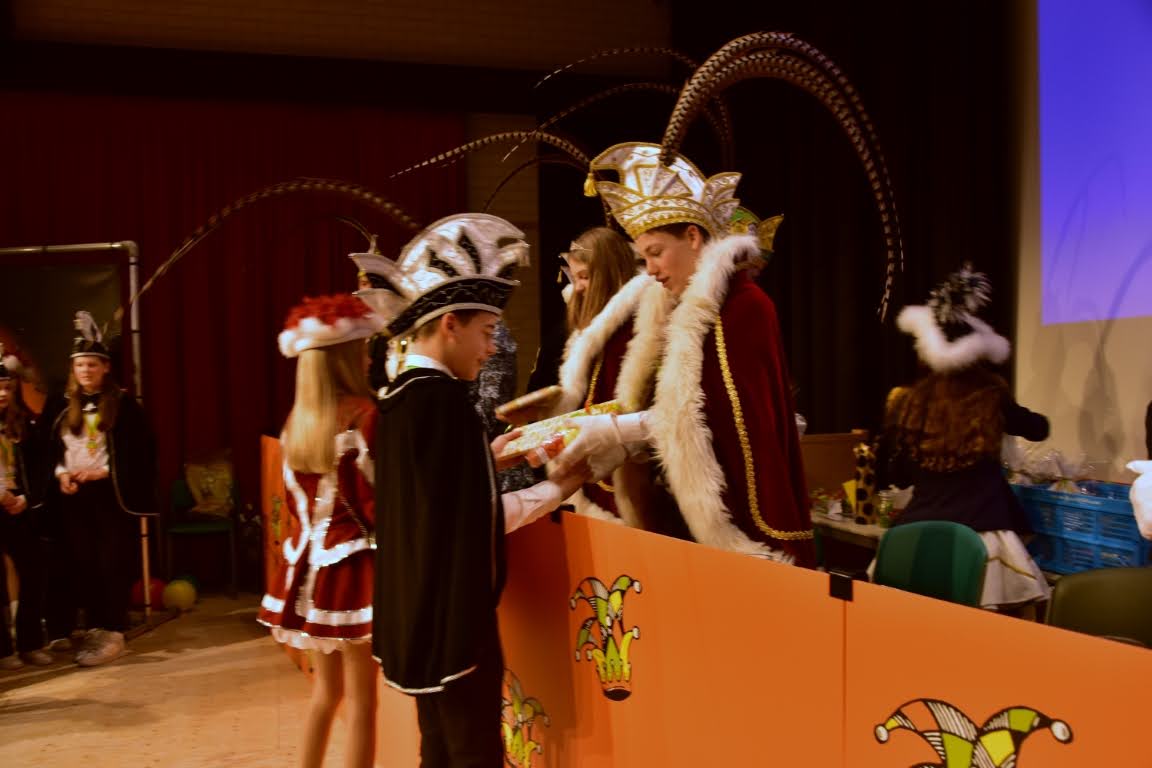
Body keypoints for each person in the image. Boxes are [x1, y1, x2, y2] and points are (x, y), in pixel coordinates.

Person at [366, 213, 589, 766]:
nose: (491, 349)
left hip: (413, 615)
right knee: (473, 755)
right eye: (487, 333)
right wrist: (558, 488)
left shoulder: (398, 402)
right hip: (453, 621)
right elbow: (476, 517)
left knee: (437, 750)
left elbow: (430, 493)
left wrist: (486, 458)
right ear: (450, 325)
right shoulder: (447, 405)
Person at [555, 142, 816, 566]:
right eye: (644, 258)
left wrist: (619, 430)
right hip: (681, 518)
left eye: (656, 253)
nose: (651, 271)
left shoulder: (744, 307)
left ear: (693, 237)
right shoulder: (677, 310)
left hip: (738, 524)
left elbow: (722, 417)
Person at [877, 265, 1051, 608]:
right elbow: (1039, 428)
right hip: (983, 536)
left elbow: (895, 475)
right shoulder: (991, 396)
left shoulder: (908, 403)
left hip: (922, 534)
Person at [257, 293, 383, 768]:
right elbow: (376, 503)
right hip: (351, 570)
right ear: (344, 357)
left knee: (326, 694)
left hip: (307, 565)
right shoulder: (365, 417)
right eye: (362, 349)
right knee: (364, 702)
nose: (369, 358)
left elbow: (295, 504)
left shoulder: (297, 422)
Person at [50, 311, 156, 666]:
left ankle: (114, 629)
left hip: (111, 495)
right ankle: (95, 626)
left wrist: (104, 473)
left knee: (111, 561)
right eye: (80, 365)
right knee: (84, 561)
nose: (86, 371)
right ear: (73, 368)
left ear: (105, 368)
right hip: (74, 496)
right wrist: (61, 474)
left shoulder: (124, 406)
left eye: (92, 365)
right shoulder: (61, 405)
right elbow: (50, 450)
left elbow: (140, 451)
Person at [547, 226, 651, 525]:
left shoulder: (637, 326)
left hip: (624, 472)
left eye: (585, 276)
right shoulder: (586, 331)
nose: (578, 287)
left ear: (609, 273)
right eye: (575, 277)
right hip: (591, 468)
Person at [0, 346, 53, 669]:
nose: (2, 394)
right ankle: (3, 650)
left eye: (7, 387)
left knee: (33, 570)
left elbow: (40, 469)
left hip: (18, 507)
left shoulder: (24, 425)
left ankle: (30, 643)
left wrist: (26, 500)